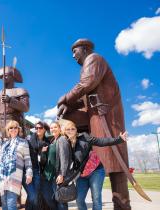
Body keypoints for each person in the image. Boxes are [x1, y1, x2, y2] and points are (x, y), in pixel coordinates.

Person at [57, 39, 131, 210]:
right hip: (96, 118)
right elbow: (84, 98)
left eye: (75, 51)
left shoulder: (94, 59)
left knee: (116, 164)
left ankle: (122, 206)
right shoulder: (87, 67)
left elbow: (86, 84)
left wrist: (65, 98)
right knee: (110, 161)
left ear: (85, 49)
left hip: (107, 117)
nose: (73, 56)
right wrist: (68, 107)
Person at [62, 120, 128, 210]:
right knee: (79, 199)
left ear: (76, 130)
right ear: (64, 131)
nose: (70, 131)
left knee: (96, 198)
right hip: (81, 175)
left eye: (72, 129)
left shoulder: (84, 137)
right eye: (68, 129)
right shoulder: (65, 143)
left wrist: (118, 139)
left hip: (96, 171)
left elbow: (100, 141)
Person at [0, 120, 32, 210]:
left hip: (14, 176)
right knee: (4, 203)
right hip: (2, 177)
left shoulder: (23, 142)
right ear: (8, 130)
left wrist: (29, 173)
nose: (13, 129)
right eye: (11, 128)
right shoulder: (4, 144)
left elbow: (27, 159)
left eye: (15, 127)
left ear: (18, 129)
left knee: (11, 203)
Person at [0, 66, 29, 137]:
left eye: (6, 76)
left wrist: (10, 100)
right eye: (2, 77)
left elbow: (25, 108)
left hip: (13, 127)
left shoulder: (20, 91)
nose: (3, 78)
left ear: (13, 77)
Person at [40, 121, 71, 210]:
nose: (53, 129)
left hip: (57, 175)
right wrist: (44, 152)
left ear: (60, 128)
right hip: (48, 175)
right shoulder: (53, 140)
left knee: (61, 200)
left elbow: (64, 158)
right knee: (49, 198)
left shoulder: (62, 139)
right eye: (51, 128)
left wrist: (62, 174)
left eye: (55, 127)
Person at [23, 121, 50, 210]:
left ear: (45, 129)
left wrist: (42, 153)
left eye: (40, 128)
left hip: (39, 171)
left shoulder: (47, 142)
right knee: (32, 194)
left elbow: (44, 161)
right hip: (29, 170)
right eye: (36, 128)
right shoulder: (30, 139)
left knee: (37, 193)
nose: (38, 129)